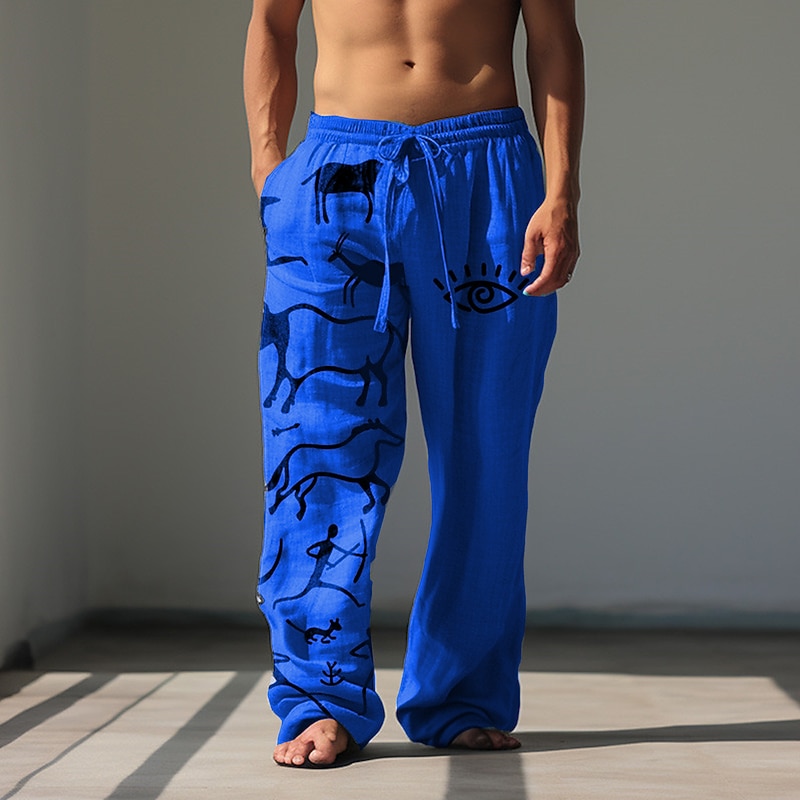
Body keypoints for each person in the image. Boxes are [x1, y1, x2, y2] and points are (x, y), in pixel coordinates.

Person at [243, 0, 583, 768]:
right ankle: (319, 698)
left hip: (486, 173)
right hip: (331, 180)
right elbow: (271, 24)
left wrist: (561, 190)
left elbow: (555, 40)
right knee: (314, 448)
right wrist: (270, 170)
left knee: (487, 453)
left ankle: (460, 694)